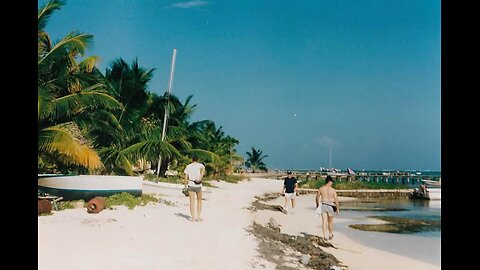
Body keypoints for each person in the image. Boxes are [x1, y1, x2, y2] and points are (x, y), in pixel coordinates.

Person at [315, 175, 339, 240]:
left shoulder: (321, 188)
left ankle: (325, 235)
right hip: (331, 206)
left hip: (324, 205)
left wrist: (317, 204)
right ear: (329, 182)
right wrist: (337, 209)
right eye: (332, 182)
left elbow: (317, 198)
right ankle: (330, 234)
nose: (332, 183)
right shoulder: (333, 190)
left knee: (324, 221)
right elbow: (336, 200)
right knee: (330, 222)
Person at [184, 155, 205, 222]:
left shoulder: (188, 166)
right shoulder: (201, 165)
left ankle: (193, 217)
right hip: (198, 185)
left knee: (192, 202)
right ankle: (198, 217)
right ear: (198, 159)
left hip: (191, 184)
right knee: (199, 201)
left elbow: (185, 177)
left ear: (192, 159)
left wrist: (185, 187)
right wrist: (199, 179)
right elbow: (202, 172)